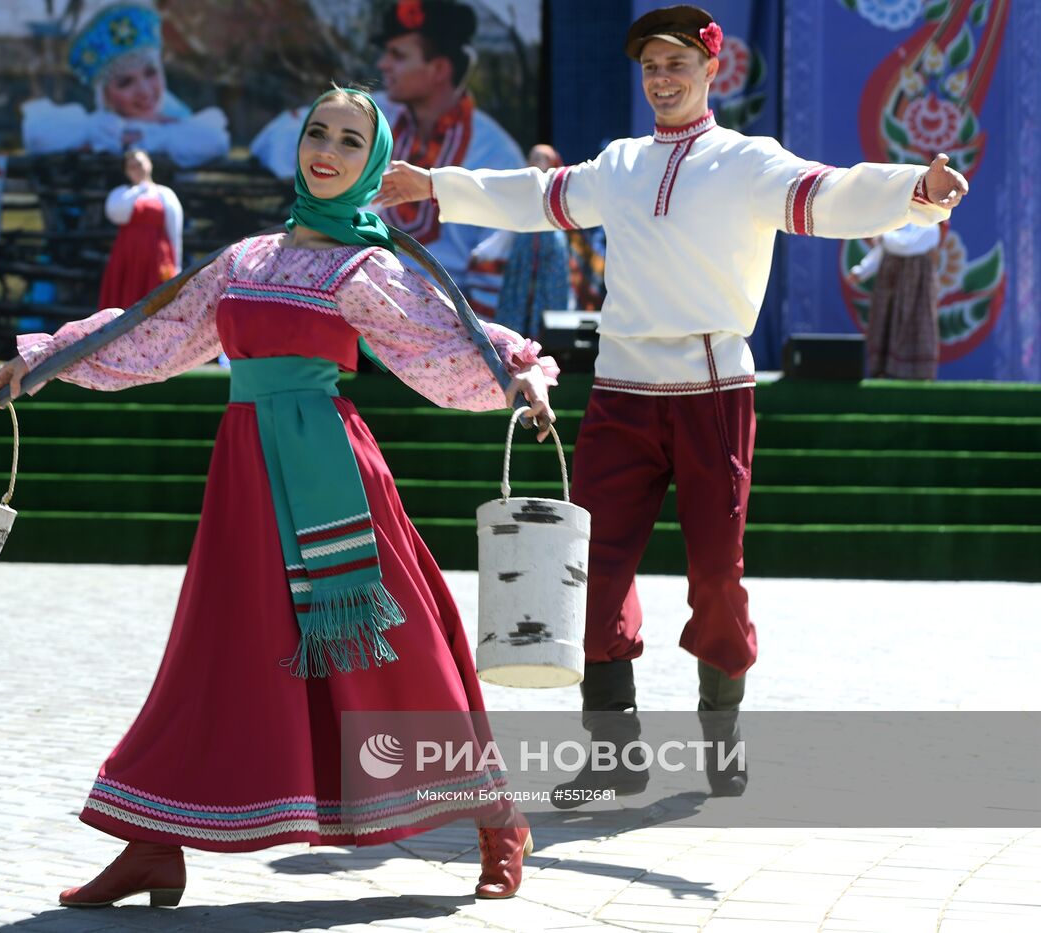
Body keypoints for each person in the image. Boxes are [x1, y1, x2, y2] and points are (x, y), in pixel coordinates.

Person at [0, 88, 558, 907]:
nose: (327, 149)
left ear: (373, 162)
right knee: (212, 650)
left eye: (351, 141)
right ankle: (153, 843)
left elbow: (442, 339)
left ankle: (497, 816)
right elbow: (152, 332)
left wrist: (521, 375)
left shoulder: (367, 266)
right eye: (317, 132)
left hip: (333, 476)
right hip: (247, 475)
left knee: (403, 648)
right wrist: (39, 362)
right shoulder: (244, 260)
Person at [379, 4, 967, 798]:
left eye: (676, 65)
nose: (661, 79)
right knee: (593, 575)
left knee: (717, 576)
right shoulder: (620, 163)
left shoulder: (747, 162)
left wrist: (917, 192)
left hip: (712, 389)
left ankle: (721, 737)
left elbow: (830, 195)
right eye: (651, 67)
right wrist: (437, 184)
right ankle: (613, 757)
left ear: (710, 71)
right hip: (622, 392)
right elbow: (537, 194)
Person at [250, 1, 523, 316]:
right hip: (349, 303)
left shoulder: (495, 152)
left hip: (441, 320)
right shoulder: (376, 117)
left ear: (439, 70)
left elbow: (494, 266)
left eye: (398, 55)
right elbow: (271, 140)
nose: (383, 65)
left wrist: (469, 343)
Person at [20, 2, 228, 169]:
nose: (145, 91)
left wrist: (147, 136)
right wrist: (110, 135)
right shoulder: (97, 128)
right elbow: (37, 135)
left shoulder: (184, 126)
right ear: (105, 95)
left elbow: (216, 142)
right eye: (125, 82)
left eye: (150, 73)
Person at [467, 144, 575, 334]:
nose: (536, 161)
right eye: (533, 157)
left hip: (550, 266)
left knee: (549, 323)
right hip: (522, 269)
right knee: (516, 315)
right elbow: (507, 231)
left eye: (542, 158)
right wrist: (482, 253)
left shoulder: (562, 195)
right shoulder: (523, 193)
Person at [848, 222, 941, 379]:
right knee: (884, 322)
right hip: (890, 284)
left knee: (916, 324)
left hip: (917, 288)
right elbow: (881, 252)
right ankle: (882, 370)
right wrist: (861, 271)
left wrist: (884, 236)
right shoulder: (896, 225)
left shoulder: (931, 227)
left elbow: (908, 246)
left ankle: (917, 374)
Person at [98, 148, 183, 310]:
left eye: (139, 164)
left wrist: (176, 264)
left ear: (149, 164)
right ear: (126, 171)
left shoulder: (165, 194)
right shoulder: (121, 193)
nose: (137, 169)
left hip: (157, 256)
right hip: (128, 255)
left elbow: (174, 231)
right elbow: (116, 214)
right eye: (131, 166)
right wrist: (136, 191)